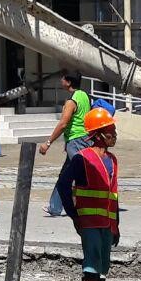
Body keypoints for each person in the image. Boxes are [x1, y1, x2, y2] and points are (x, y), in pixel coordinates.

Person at [55, 107, 120, 281]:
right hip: (90, 222)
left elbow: (114, 195)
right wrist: (74, 215)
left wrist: (116, 225)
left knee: (102, 267)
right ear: (99, 134)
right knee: (91, 267)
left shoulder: (113, 160)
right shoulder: (82, 158)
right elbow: (63, 185)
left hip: (107, 224)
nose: (115, 135)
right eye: (111, 131)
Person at [41, 73, 92, 216]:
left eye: (62, 78)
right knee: (66, 175)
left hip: (76, 140)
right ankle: (55, 207)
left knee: (78, 175)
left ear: (68, 82)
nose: (60, 81)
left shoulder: (71, 101)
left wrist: (48, 142)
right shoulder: (84, 95)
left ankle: (84, 206)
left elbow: (63, 123)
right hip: (83, 139)